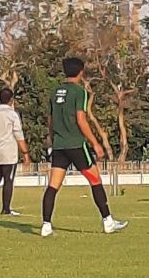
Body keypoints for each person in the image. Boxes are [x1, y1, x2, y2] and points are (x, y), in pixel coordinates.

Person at [40, 57, 127, 237]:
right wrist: (96, 143)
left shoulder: (55, 91)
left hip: (59, 146)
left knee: (53, 186)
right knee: (95, 181)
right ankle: (108, 222)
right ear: (81, 72)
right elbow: (81, 119)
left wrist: (52, 138)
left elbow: (50, 120)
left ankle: (46, 225)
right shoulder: (79, 92)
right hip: (77, 145)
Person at [0, 87, 30, 216]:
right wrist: (25, 153)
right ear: (11, 100)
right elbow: (18, 134)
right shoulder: (12, 114)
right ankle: (6, 209)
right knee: (8, 179)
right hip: (9, 152)